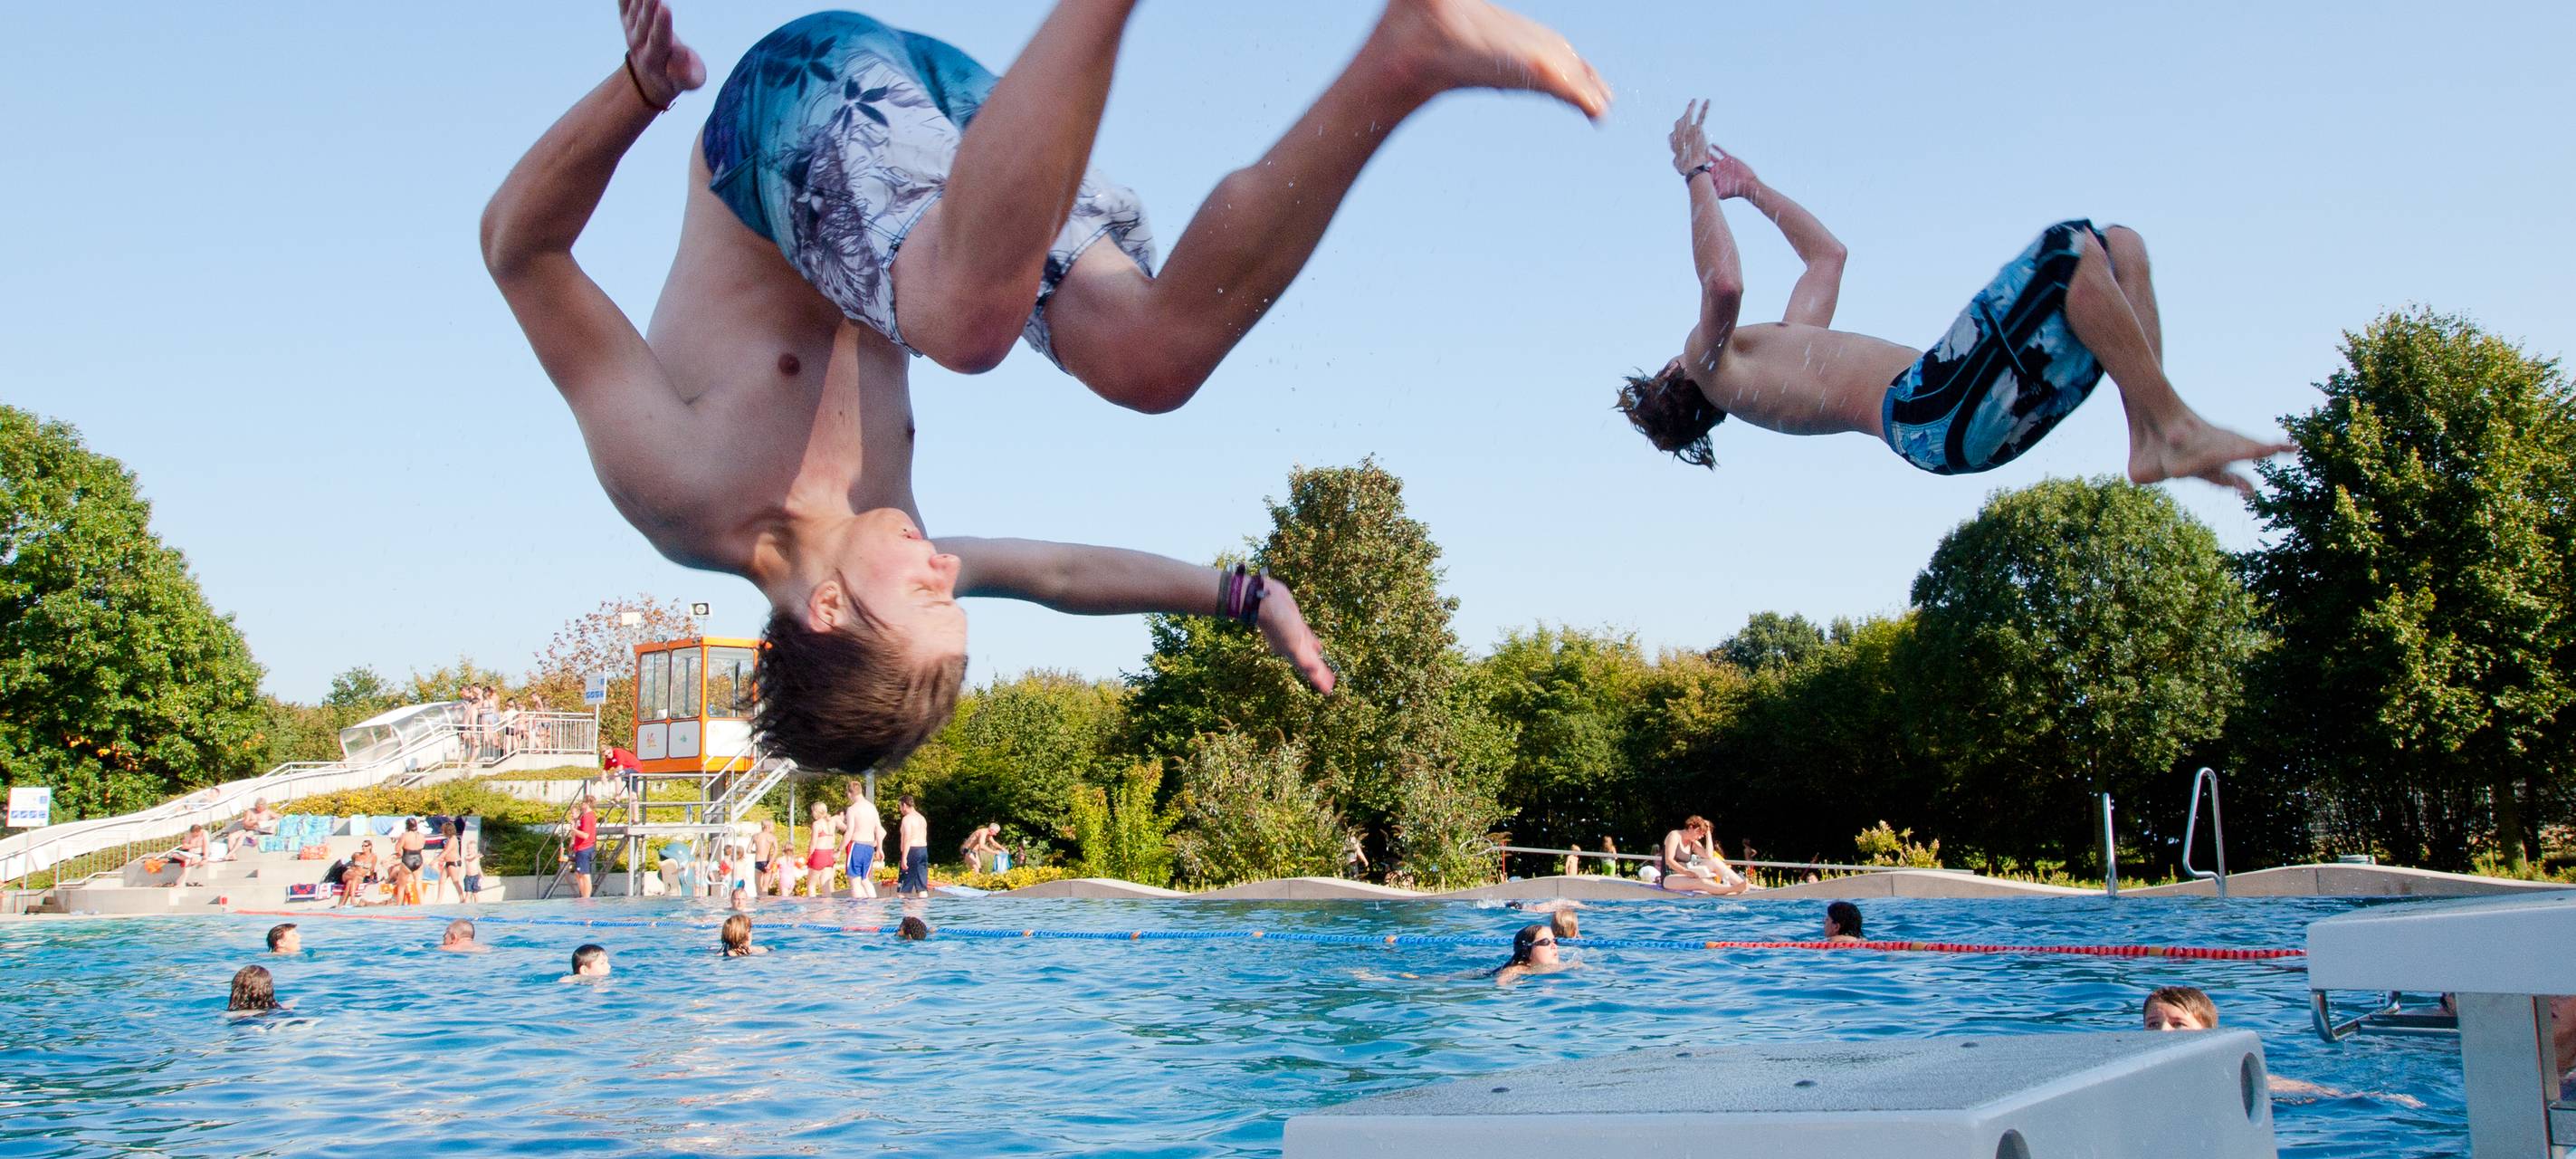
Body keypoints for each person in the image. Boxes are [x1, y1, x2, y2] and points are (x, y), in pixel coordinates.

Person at [473, 0, 1610, 777]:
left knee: (963, 327)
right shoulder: (887, 538)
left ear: (825, 610)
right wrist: (1243, 594)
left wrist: (633, 90)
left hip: (790, 101)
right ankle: (1406, 54)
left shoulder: (674, 487)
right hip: (952, 134)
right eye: (947, 587)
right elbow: (1062, 574)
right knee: (1151, 359)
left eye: (925, 593)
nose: (939, 563)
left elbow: (519, 251)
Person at [1615, 103, 2293, 497]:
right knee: (2069, 250)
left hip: (1955, 423)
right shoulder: (1709, 366)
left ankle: (2151, 438)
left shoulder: (1780, 360)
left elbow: (1828, 256)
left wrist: (1754, 189)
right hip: (1930, 413)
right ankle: (2174, 427)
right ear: (1675, 375)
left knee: (2120, 250)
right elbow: (1723, 283)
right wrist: (1696, 175)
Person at [1657, 816, 1748, 896]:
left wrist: (1708, 833)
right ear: (1691, 827)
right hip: (1669, 878)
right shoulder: (1674, 835)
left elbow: (1709, 856)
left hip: (1686, 875)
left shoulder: (1693, 843)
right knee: (1701, 882)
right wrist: (1686, 872)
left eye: (1702, 834)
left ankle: (1742, 884)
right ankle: (1733, 889)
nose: (1700, 837)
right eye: (1699, 833)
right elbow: (1669, 860)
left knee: (1714, 861)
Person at [1490, 923, 1572, 986]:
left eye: (1555, 941)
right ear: (1527, 951)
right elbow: (1501, 986)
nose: (1554, 946)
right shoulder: (1516, 970)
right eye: (1545, 942)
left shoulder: (1564, 965)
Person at [844, 781, 885, 900]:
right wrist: (879, 848)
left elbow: (849, 831)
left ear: (850, 793)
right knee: (865, 879)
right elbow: (879, 830)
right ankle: (872, 907)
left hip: (856, 846)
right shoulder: (872, 807)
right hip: (869, 847)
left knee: (855, 882)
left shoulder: (852, 809)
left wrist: (839, 849)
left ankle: (858, 912)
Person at [895, 795, 930, 897]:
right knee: (922, 888)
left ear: (905, 805)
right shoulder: (921, 818)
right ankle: (921, 912)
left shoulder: (907, 819)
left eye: (900, 807)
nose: (900, 809)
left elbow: (908, 838)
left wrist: (904, 858)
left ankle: (905, 912)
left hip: (912, 851)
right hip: (923, 850)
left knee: (903, 889)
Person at [804, 800, 839, 898]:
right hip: (829, 855)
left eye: (813, 811)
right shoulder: (831, 823)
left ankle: (813, 909)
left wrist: (808, 857)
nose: (812, 813)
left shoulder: (817, 824)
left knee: (811, 884)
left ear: (816, 812)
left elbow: (813, 843)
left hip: (819, 854)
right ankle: (828, 910)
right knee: (825, 885)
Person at [565, 800, 599, 898]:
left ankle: (586, 897)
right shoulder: (581, 819)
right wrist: (572, 842)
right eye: (571, 813)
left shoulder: (587, 817)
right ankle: (583, 895)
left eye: (574, 813)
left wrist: (573, 830)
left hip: (584, 848)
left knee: (584, 874)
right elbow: (575, 834)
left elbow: (584, 835)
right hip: (579, 848)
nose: (572, 815)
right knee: (578, 873)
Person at [167, 824, 211, 888]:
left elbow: (206, 845)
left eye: (196, 835)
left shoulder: (204, 833)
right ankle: (181, 881)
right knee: (173, 854)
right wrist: (195, 845)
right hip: (190, 854)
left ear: (198, 832)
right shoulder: (189, 834)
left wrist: (205, 858)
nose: (194, 836)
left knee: (188, 860)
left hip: (200, 854)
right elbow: (184, 846)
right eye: (193, 834)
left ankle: (182, 881)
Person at [457, 818, 485, 900]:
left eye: (472, 848)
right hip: (468, 878)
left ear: (475, 849)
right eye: (469, 848)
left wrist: (481, 874)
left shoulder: (476, 857)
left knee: (475, 894)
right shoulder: (467, 856)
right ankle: (466, 909)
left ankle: (477, 908)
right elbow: (470, 859)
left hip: (475, 877)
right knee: (468, 894)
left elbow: (478, 866)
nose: (470, 850)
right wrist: (476, 856)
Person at [753, 819, 780, 896]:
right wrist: (770, 863)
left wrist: (756, 852)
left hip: (758, 862)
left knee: (758, 888)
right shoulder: (772, 837)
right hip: (767, 862)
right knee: (765, 888)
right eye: (772, 826)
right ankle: (765, 904)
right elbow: (776, 851)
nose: (773, 828)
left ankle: (758, 905)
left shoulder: (755, 836)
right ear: (768, 826)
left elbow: (748, 850)